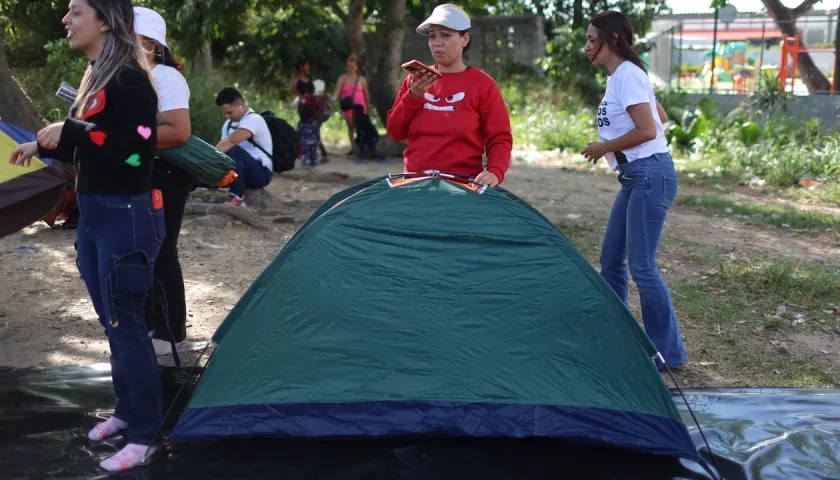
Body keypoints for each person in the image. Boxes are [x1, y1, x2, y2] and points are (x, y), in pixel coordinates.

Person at [9, 0, 164, 471]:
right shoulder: (97, 72)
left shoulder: (129, 77)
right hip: (96, 216)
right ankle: (127, 411)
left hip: (126, 216)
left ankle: (145, 435)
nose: (65, 19)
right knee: (111, 321)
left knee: (127, 322)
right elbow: (95, 136)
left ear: (105, 18)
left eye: (76, 11)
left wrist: (70, 130)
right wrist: (45, 141)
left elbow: (138, 155)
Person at [581, 10, 688, 370]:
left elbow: (648, 130)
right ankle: (618, 337)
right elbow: (660, 115)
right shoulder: (623, 76)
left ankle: (667, 354)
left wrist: (604, 147)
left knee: (642, 267)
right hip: (635, 178)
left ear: (612, 40)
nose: (587, 47)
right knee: (612, 261)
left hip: (648, 176)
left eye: (592, 39)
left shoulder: (627, 74)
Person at [386, 4, 512, 187]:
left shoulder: (483, 85)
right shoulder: (415, 81)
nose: (437, 42)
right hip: (415, 183)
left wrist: (495, 171)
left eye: (446, 35)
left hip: (463, 186)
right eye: (432, 36)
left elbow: (500, 138)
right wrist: (413, 96)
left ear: (464, 39)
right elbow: (395, 132)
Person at [134, 6, 192, 360]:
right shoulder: (133, 78)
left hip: (166, 175)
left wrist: (129, 135)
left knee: (162, 249)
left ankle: (172, 329)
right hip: (142, 170)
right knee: (141, 249)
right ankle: (150, 323)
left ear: (152, 44)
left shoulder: (166, 77)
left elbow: (178, 130)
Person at [214, 87, 274, 206]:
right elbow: (222, 147)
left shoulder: (254, 119)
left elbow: (231, 141)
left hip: (261, 172)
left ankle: (237, 197)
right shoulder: (228, 125)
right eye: (225, 113)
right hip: (238, 172)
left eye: (229, 112)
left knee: (233, 150)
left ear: (240, 105)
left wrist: (208, 159)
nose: (227, 116)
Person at [331, 54, 371, 155]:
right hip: (348, 106)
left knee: (361, 127)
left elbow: (366, 94)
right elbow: (337, 91)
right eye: (348, 66)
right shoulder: (342, 78)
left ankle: (361, 147)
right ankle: (353, 147)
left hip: (361, 107)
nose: (350, 68)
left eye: (352, 66)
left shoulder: (362, 79)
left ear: (356, 67)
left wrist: (368, 106)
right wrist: (332, 100)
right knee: (351, 126)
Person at [292, 57, 329, 162]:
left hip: (313, 107)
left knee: (313, 129)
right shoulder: (298, 79)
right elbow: (293, 89)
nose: (308, 67)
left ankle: (317, 153)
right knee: (309, 129)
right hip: (305, 108)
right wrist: (303, 97)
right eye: (306, 65)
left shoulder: (308, 79)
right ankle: (310, 154)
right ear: (301, 67)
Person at [297, 102, 320, 167]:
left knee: (305, 153)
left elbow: (298, 132)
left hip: (304, 141)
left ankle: (304, 163)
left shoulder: (301, 123)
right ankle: (313, 163)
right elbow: (317, 132)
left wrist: (298, 140)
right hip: (313, 140)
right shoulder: (315, 122)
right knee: (313, 153)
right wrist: (318, 140)